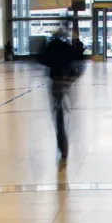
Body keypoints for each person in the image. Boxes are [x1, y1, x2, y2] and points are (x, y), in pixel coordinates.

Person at [39, 29, 77, 159]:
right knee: (62, 110)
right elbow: (76, 62)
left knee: (58, 113)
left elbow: (42, 59)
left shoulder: (51, 46)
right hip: (65, 81)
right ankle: (63, 141)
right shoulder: (67, 47)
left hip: (56, 80)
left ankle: (61, 142)